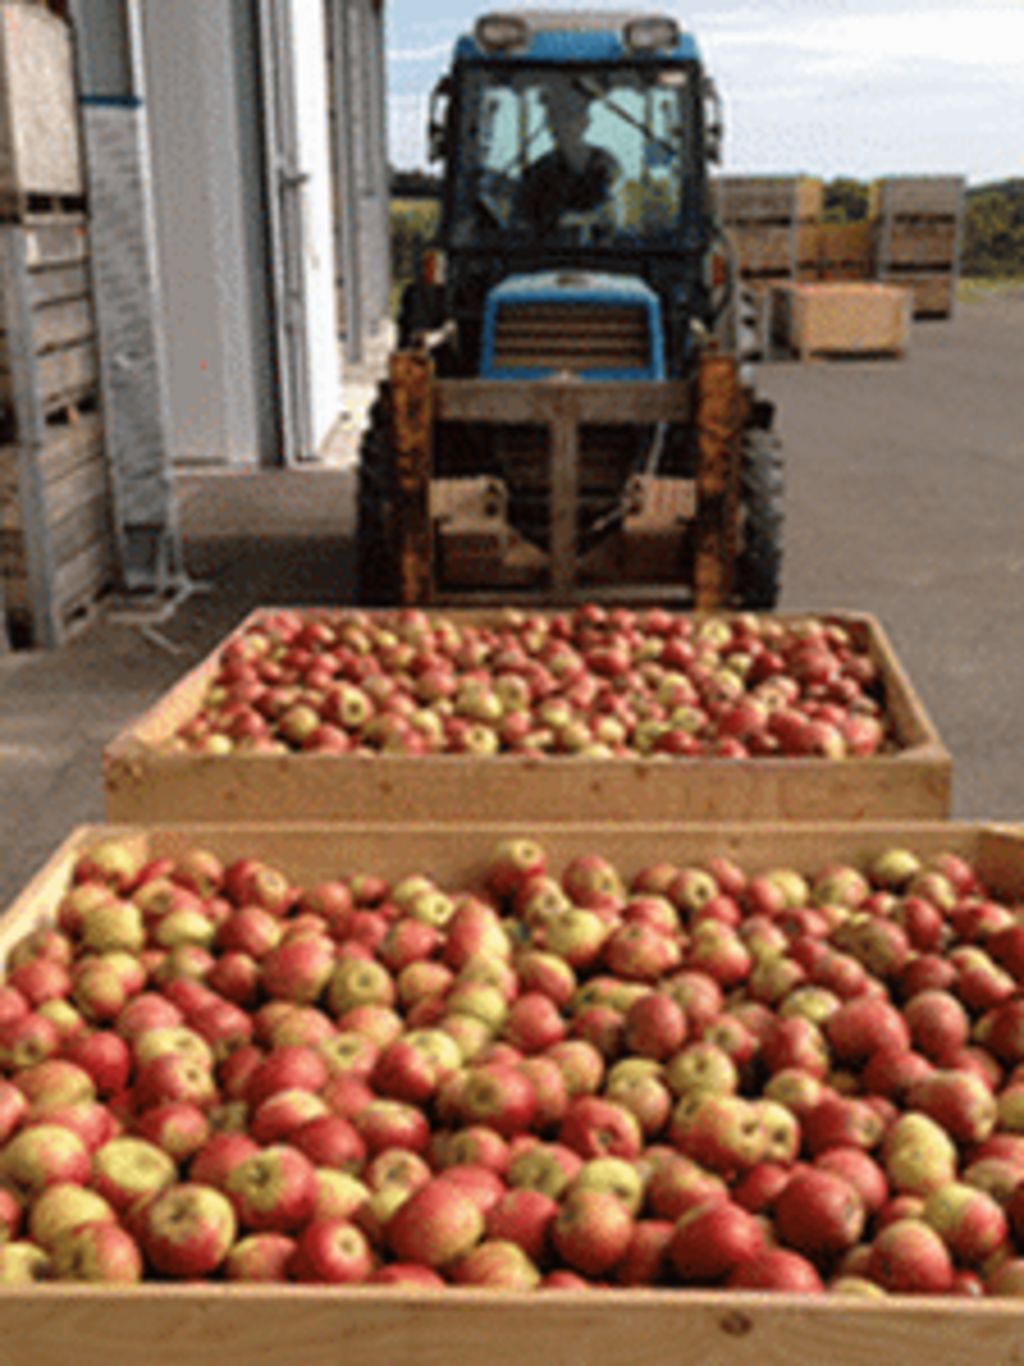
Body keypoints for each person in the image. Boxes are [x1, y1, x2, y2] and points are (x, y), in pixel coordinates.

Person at [517, 84, 620, 235]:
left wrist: (579, 221)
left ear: (585, 122)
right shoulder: (536, 174)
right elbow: (521, 226)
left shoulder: (606, 165)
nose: (560, 125)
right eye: (554, 118)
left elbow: (614, 216)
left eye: (568, 117)